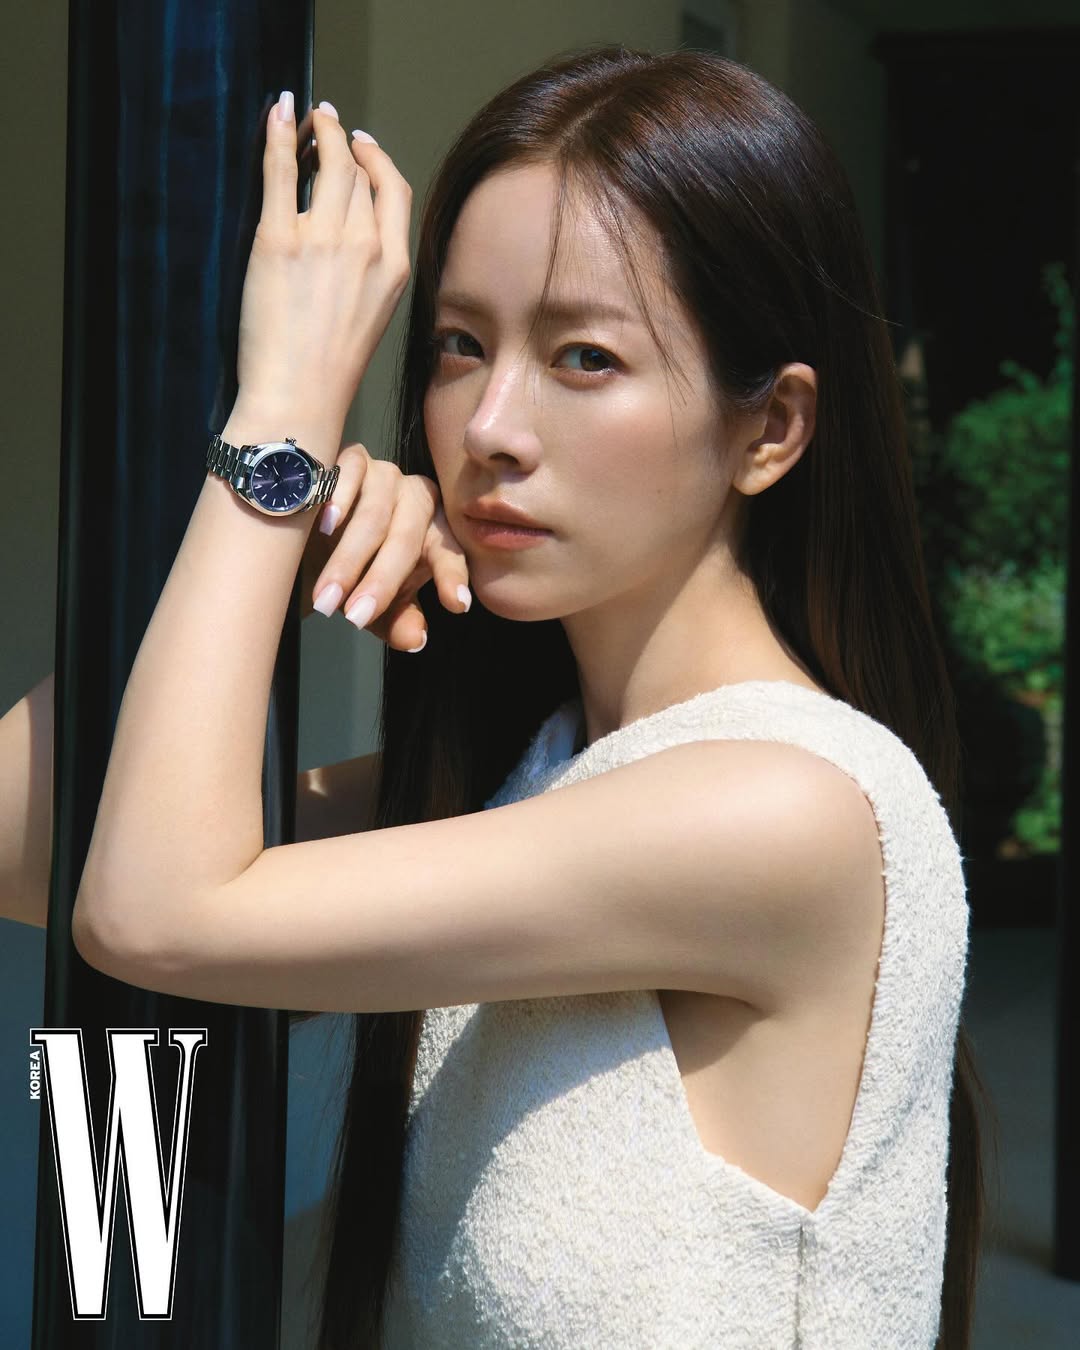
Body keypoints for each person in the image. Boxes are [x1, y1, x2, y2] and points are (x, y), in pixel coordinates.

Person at [0, 42, 989, 1350]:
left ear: (771, 429)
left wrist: (282, 418)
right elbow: (32, 837)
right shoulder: (541, 776)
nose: (489, 428)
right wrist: (278, 546)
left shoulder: (789, 810)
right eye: (461, 346)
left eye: (583, 358)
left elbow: (152, 912)